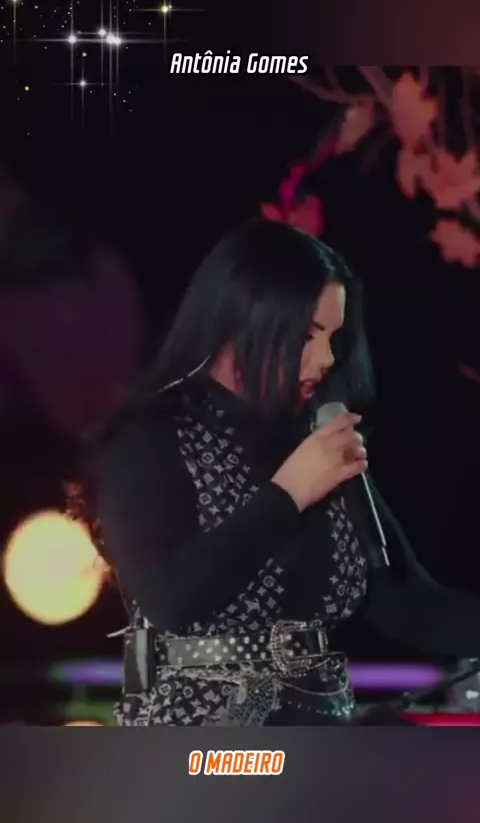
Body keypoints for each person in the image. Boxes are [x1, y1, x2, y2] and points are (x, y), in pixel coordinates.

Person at [98, 218, 480, 726]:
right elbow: (171, 599)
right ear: (243, 323)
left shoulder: (315, 440)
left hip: (319, 734)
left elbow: (407, 603)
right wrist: (290, 492)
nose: (326, 359)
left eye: (334, 337)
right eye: (307, 336)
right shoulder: (150, 437)